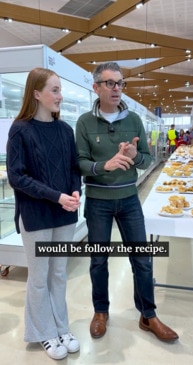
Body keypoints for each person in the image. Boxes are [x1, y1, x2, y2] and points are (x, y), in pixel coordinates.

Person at [75, 62, 178, 342]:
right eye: (110, 83)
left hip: (130, 199)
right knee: (98, 259)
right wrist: (104, 165)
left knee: (142, 259)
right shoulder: (84, 122)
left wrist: (133, 155)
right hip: (98, 201)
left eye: (120, 83)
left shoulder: (133, 120)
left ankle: (148, 315)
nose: (117, 88)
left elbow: (146, 159)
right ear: (96, 87)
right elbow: (80, 163)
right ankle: (100, 312)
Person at [6, 68, 81, 360]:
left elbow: (74, 169)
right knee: (39, 277)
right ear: (36, 94)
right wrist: (56, 196)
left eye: (60, 89)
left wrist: (75, 192)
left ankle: (61, 327)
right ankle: (43, 333)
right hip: (37, 216)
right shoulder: (21, 129)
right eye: (54, 89)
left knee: (58, 274)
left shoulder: (65, 130)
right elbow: (17, 177)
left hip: (64, 214)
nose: (60, 96)